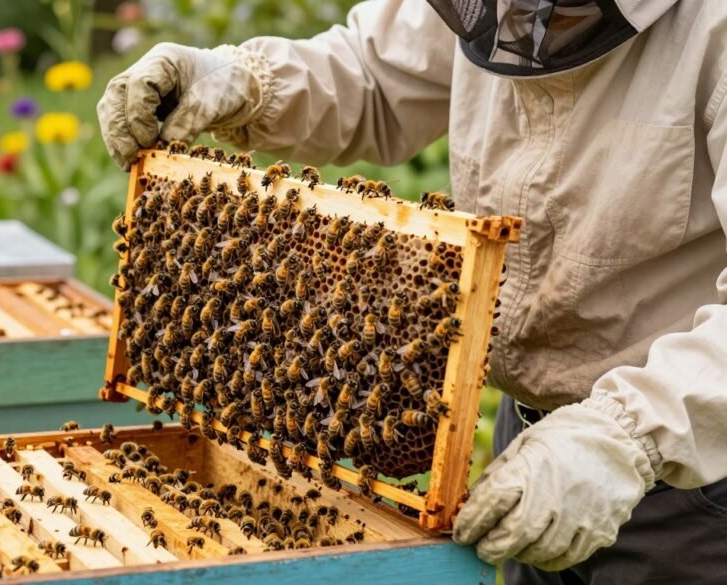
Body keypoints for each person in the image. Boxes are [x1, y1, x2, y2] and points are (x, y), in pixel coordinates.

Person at [97, 1, 727, 583]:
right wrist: (242, 82)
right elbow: (376, 74)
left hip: (695, 482)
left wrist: (623, 438)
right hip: (533, 448)